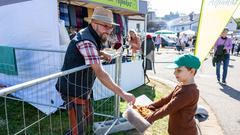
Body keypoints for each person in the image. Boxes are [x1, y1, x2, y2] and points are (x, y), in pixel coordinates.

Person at [55, 7, 135, 135]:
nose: (109, 31)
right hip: (72, 89)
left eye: (111, 27)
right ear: (94, 23)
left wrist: (100, 52)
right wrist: (123, 94)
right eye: (105, 26)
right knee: (79, 128)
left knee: (87, 119)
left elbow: (88, 52)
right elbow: (101, 73)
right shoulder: (86, 40)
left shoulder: (89, 34)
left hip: (81, 88)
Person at [145, 54, 201, 135]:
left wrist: (149, 118)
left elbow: (169, 108)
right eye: (175, 70)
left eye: (179, 70)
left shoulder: (190, 92)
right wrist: (150, 106)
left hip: (185, 132)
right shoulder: (181, 85)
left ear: (192, 71)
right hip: (175, 129)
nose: (174, 73)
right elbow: (166, 100)